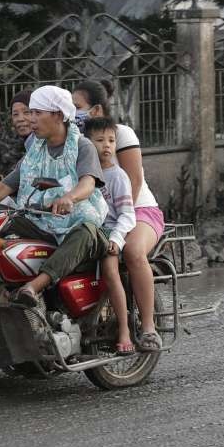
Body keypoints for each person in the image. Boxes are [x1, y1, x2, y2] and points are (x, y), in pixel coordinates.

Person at [0, 85, 109, 306]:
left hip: (78, 223)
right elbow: (3, 187)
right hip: (39, 220)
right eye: (29, 113)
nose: (30, 120)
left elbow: (88, 183)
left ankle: (33, 287)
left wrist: (70, 198)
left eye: (36, 113)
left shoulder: (82, 146)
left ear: (57, 115)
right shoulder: (34, 152)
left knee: (86, 233)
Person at [73, 79, 165, 351]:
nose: (73, 112)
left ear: (96, 109)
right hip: (98, 217)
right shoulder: (76, 139)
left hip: (135, 210)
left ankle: (148, 328)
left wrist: (118, 230)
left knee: (133, 251)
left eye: (77, 107)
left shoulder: (120, 133)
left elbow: (133, 183)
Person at [83, 116, 142, 354]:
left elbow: (127, 215)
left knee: (109, 270)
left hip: (109, 233)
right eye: (99, 140)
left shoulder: (118, 176)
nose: (106, 145)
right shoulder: (81, 172)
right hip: (86, 230)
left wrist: (116, 240)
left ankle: (124, 329)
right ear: (86, 144)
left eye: (111, 140)